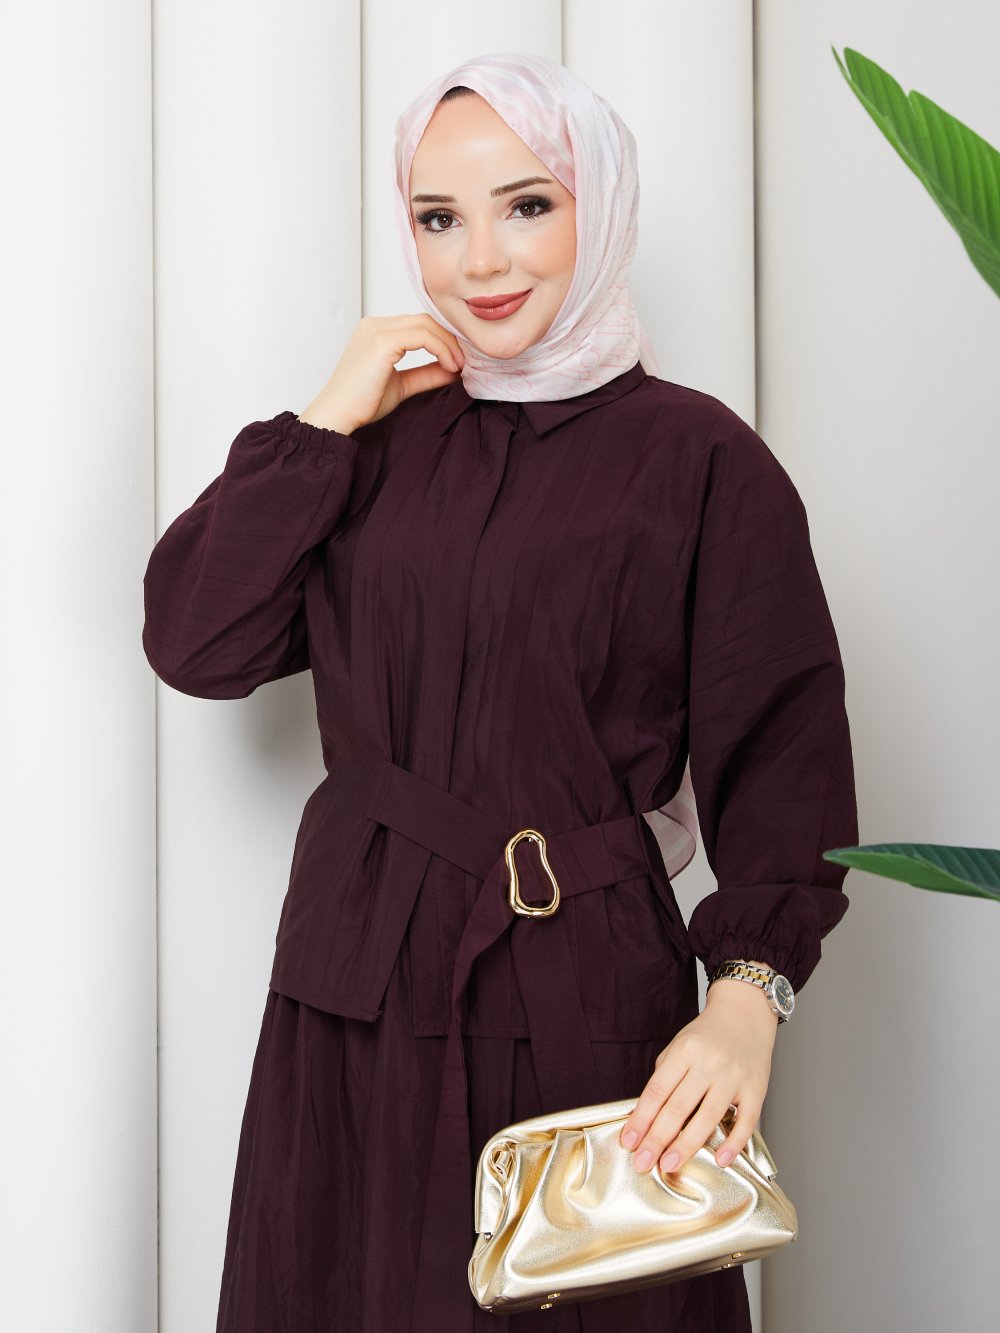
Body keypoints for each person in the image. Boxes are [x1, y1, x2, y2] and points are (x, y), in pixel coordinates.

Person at [142, 51, 857, 1333]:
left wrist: (747, 999)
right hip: (354, 984)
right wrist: (327, 418)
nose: (481, 260)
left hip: (578, 977)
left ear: (601, 205)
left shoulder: (701, 459)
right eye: (438, 218)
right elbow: (197, 641)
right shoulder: (373, 444)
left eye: (527, 205)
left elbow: (783, 744)